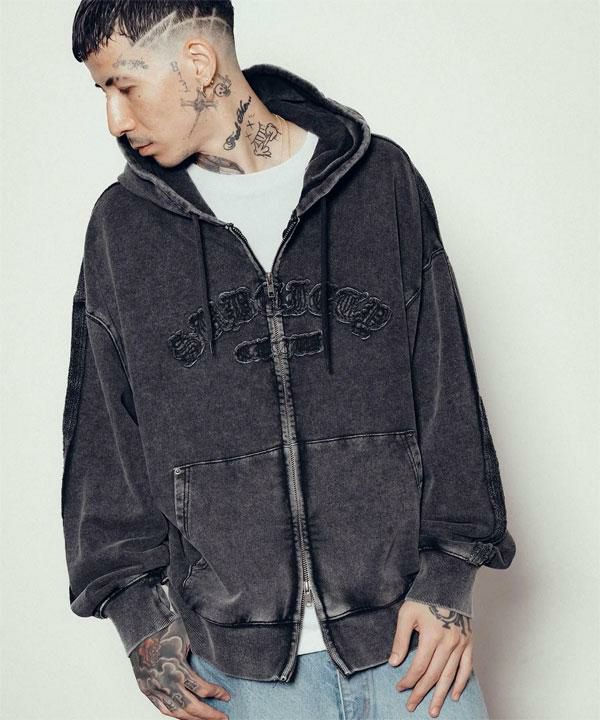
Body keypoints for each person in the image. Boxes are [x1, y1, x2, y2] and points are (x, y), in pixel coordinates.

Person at [61, 2, 517, 718]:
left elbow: (447, 390)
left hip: (412, 645)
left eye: (124, 85)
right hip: (235, 670)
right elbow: (102, 439)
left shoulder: (380, 182)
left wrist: (449, 580)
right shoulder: (123, 228)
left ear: (198, 63)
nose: (114, 119)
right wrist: (139, 620)